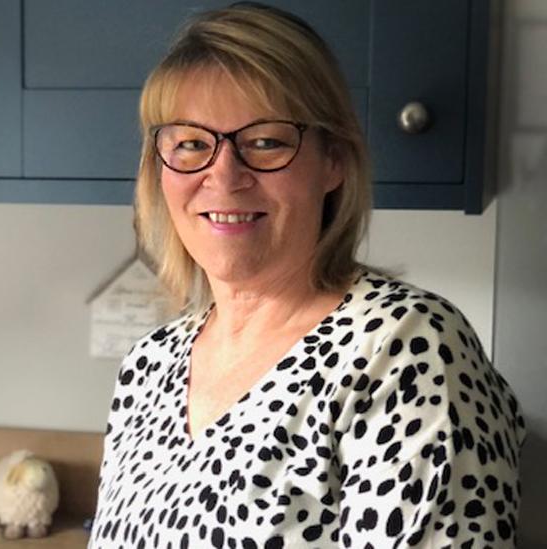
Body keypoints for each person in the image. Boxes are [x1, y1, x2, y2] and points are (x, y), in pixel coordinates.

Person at [89, 3, 526, 548]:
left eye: (266, 141)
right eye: (192, 144)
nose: (224, 175)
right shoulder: (147, 366)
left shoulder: (402, 348)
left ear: (333, 161)